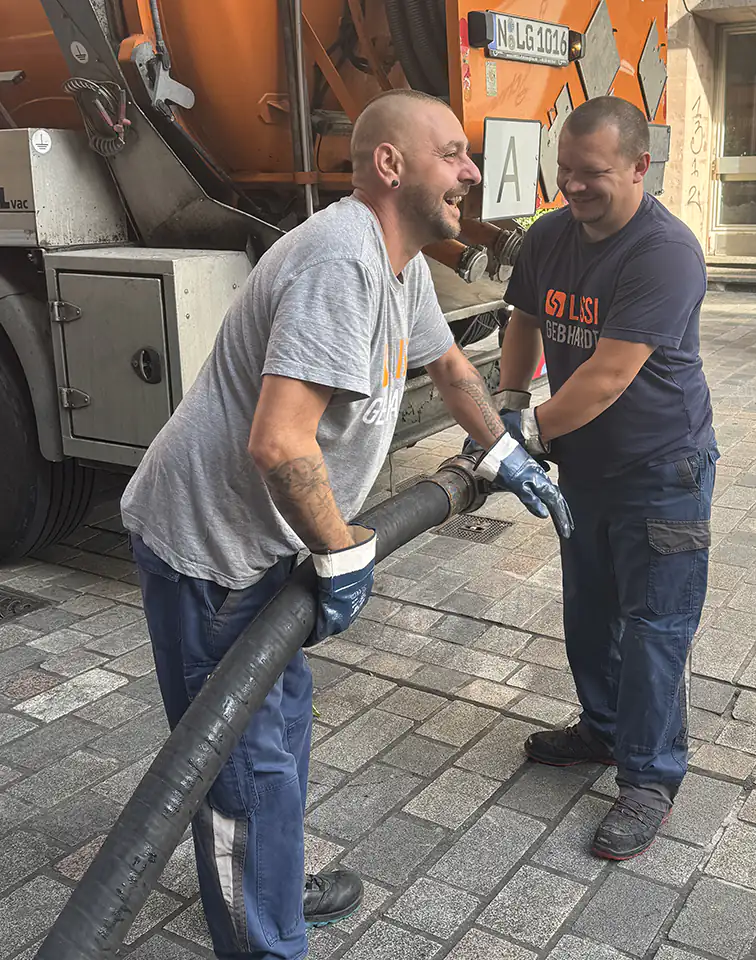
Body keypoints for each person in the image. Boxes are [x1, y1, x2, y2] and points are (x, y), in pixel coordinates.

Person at [120, 88, 572, 960]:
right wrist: (341, 550)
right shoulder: (343, 263)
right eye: (452, 153)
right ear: (390, 165)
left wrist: (503, 452)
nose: (471, 171)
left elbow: (449, 366)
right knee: (239, 774)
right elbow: (279, 442)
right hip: (212, 552)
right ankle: (265, 939)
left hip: (263, 549)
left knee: (281, 728)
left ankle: (278, 885)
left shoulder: (400, 264)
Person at [494, 95, 718, 861]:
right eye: (564, 169)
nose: (572, 186)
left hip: (663, 471)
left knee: (654, 629)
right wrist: (508, 400)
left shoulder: (665, 252)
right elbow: (524, 320)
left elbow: (609, 375)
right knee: (589, 614)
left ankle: (649, 778)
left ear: (638, 166)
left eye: (591, 173)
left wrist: (520, 435)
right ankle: (603, 729)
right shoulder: (549, 236)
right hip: (584, 469)